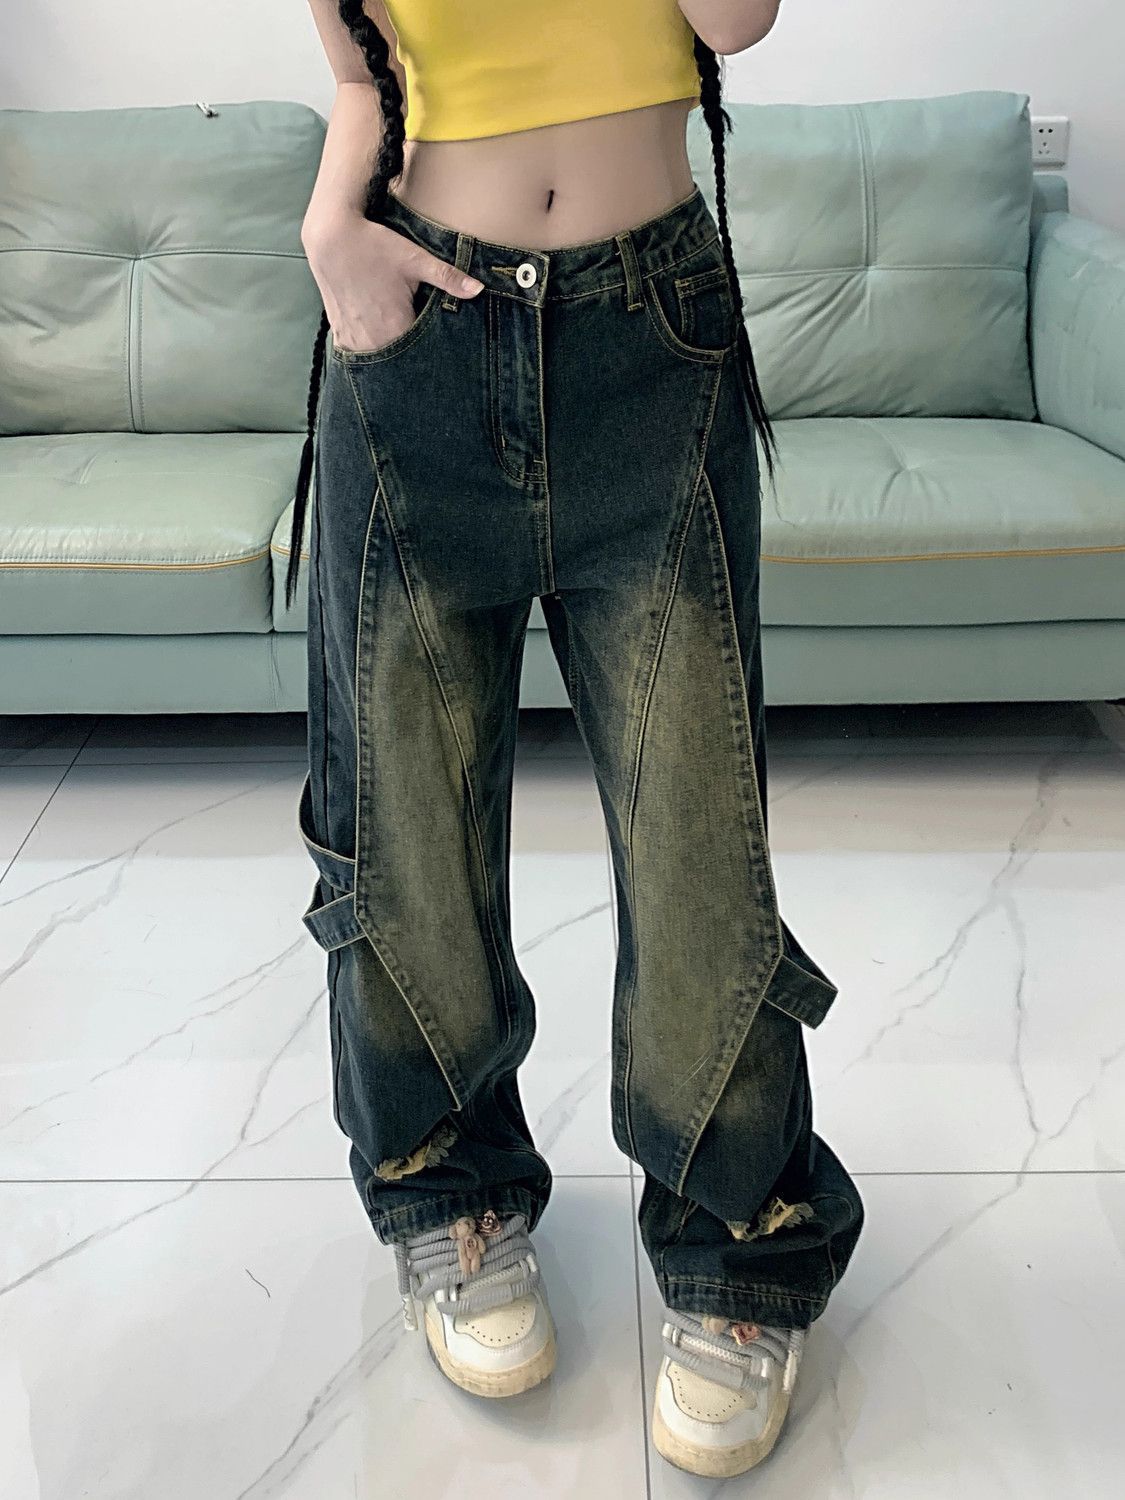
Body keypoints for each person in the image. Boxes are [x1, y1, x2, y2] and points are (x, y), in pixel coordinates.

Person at [291, 0, 863, 1479]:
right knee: (407, 831)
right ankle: (449, 1193)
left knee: (695, 836)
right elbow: (363, 73)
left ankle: (737, 1235)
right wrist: (331, 227)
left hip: (649, 335)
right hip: (415, 335)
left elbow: (736, 21)